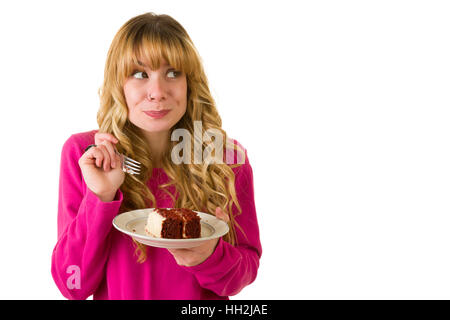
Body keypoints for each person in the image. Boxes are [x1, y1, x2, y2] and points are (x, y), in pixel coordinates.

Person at [51, 12, 262, 300]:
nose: (157, 92)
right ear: (119, 83)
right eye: (140, 74)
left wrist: (210, 256)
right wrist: (100, 196)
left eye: (173, 73)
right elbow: (71, 285)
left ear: (190, 82)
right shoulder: (86, 156)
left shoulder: (227, 159)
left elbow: (242, 275)